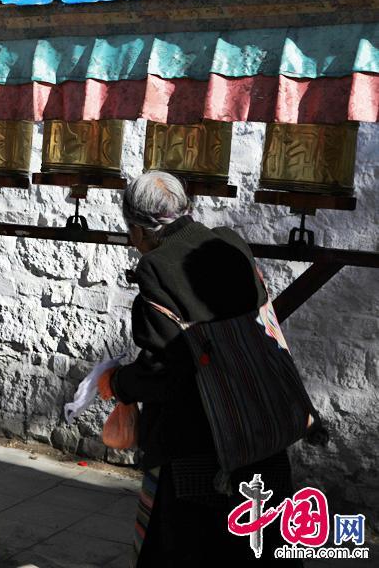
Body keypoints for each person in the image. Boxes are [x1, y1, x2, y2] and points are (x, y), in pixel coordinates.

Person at [99, 171, 302, 567]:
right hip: (261, 423)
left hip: (203, 442)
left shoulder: (156, 269)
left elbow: (165, 369)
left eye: (132, 234)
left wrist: (119, 383)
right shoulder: (229, 243)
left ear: (139, 230)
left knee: (193, 546)